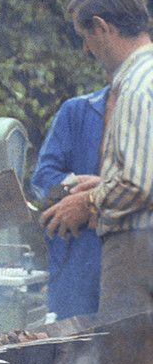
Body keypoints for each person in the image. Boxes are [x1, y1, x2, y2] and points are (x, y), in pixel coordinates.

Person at [41, 0, 153, 364]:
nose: (86, 51)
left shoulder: (133, 83)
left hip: (138, 250)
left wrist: (91, 201)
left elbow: (135, 184)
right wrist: (96, 180)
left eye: (86, 38)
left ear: (103, 28)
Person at [31, 84, 110, 320]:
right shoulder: (77, 110)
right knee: (70, 349)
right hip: (76, 261)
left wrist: (107, 188)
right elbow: (42, 178)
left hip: (137, 261)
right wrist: (80, 191)